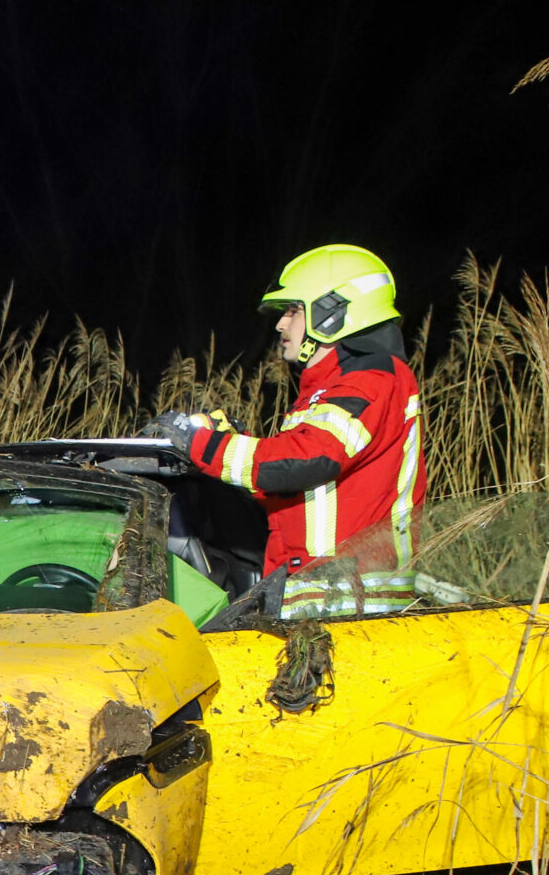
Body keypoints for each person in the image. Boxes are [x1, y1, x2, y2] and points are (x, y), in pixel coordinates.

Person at [152, 244, 426, 619]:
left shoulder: (372, 380)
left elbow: (308, 459)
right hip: (323, 601)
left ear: (332, 313)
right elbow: (290, 487)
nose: (281, 325)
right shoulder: (328, 393)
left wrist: (197, 442)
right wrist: (236, 444)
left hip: (353, 608)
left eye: (293, 310)